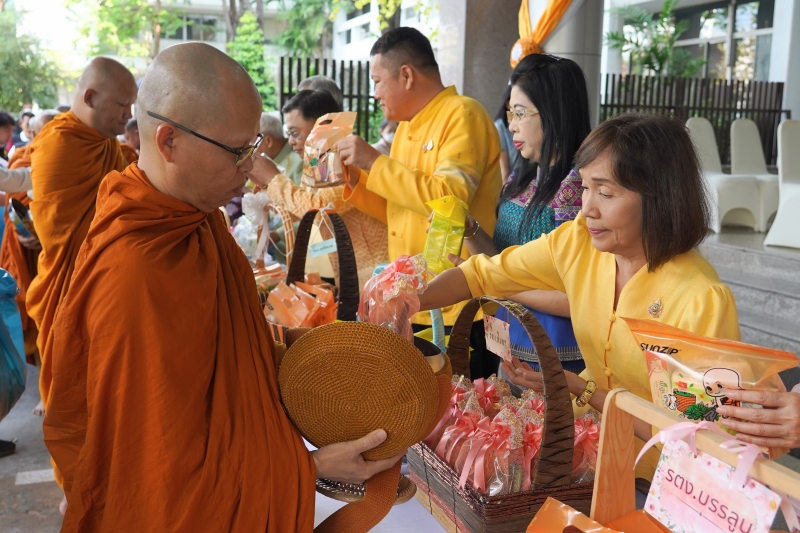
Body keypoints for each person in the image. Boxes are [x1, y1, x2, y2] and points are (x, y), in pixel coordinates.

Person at [42, 41, 401, 532]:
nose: (252, 168)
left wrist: (336, 355)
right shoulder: (135, 273)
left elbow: (236, 358)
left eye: (256, 147)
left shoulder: (197, 222)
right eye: (238, 151)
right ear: (168, 141)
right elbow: (161, 479)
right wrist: (310, 468)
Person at [418, 113, 741, 479]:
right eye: (585, 187)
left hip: (659, 481)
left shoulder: (701, 299)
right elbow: (483, 273)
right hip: (588, 459)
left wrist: (583, 390)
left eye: (605, 192)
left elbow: (702, 435)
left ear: (660, 198)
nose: (587, 207)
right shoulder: (580, 243)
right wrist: (410, 301)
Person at [336, 27, 502, 378]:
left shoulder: (462, 114)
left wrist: (375, 163)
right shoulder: (406, 130)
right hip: (415, 300)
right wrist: (358, 182)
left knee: (458, 409)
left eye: (378, 81)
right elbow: (401, 211)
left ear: (406, 75)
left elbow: (451, 204)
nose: (375, 93)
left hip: (458, 303)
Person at [26, 57, 137, 511]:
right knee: (75, 398)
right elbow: (66, 229)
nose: (126, 116)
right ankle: (79, 491)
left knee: (110, 399)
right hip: (70, 289)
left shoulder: (107, 147)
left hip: (107, 292)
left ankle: (109, 485)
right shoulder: (59, 146)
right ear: (89, 98)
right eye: (121, 105)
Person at [448, 54, 591, 391]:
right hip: (510, 338)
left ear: (555, 111)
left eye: (521, 113)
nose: (511, 124)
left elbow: (579, 295)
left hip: (556, 353)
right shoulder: (522, 177)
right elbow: (501, 259)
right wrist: (470, 230)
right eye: (510, 112)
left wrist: (492, 282)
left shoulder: (577, 188)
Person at [249, 90, 388, 288]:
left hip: (377, 274)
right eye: (289, 134)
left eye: (295, 133)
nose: (291, 142)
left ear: (322, 127)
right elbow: (302, 212)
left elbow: (319, 207)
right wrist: (266, 189)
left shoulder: (346, 157)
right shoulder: (318, 162)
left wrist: (273, 180)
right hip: (353, 274)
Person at [2, 109, 59, 416]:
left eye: (45, 133)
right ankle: (45, 389)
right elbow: (15, 190)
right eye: (35, 133)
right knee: (38, 324)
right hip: (30, 256)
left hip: (65, 255)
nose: (38, 139)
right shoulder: (25, 156)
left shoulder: (72, 158)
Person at [257, 112, 302, 185]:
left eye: (252, 142)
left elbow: (302, 196)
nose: (250, 147)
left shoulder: (300, 161)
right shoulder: (266, 160)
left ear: (268, 141)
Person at [494, 83, 522, 183]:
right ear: (507, 103)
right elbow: (503, 166)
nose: (512, 128)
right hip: (513, 178)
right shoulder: (500, 126)